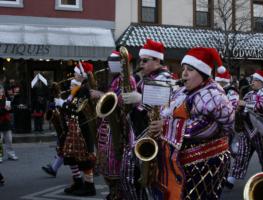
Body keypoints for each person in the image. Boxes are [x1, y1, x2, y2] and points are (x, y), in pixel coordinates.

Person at [153, 47, 234, 199]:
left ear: (203, 73)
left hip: (206, 163)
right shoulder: (185, 91)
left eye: (190, 69)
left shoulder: (212, 96)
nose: (184, 74)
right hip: (185, 162)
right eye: (183, 69)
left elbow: (207, 128)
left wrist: (165, 126)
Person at [120, 39, 175, 199]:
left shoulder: (164, 77)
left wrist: (139, 98)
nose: (141, 64)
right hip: (139, 133)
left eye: (145, 60)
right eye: (140, 61)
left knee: (138, 177)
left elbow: (164, 107)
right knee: (133, 178)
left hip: (150, 135)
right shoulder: (148, 77)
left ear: (157, 60)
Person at [89, 50, 137, 200]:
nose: (109, 64)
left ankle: (118, 194)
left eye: (112, 61)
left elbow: (122, 101)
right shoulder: (115, 80)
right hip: (107, 128)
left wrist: (100, 95)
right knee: (107, 168)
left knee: (115, 168)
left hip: (117, 131)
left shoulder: (128, 80)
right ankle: (113, 192)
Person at [226, 70, 263, 189]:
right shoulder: (248, 94)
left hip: (261, 131)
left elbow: (262, 106)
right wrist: (238, 108)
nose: (253, 82)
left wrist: (245, 105)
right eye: (253, 80)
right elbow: (238, 105)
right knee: (242, 154)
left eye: (256, 81)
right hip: (246, 129)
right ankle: (231, 179)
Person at [55, 61, 97, 196]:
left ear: (82, 75)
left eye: (75, 73)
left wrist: (62, 104)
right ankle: (78, 182)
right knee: (71, 156)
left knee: (84, 157)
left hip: (82, 128)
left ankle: (89, 186)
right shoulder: (78, 88)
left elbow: (76, 108)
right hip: (74, 127)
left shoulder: (84, 89)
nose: (73, 74)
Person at [41, 79, 82, 177]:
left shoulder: (78, 97)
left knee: (70, 152)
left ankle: (86, 173)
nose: (70, 87)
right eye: (71, 85)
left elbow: (74, 110)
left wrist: (62, 104)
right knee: (64, 149)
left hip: (75, 128)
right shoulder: (71, 96)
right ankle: (54, 169)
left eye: (73, 85)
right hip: (67, 127)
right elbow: (66, 105)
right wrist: (56, 103)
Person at [0, 85, 18, 162]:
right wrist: (6, 110)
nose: (2, 92)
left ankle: (11, 154)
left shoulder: (6, 98)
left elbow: (10, 110)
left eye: (2, 91)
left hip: (6, 122)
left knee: (9, 140)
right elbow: (2, 111)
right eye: (1, 91)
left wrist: (10, 109)